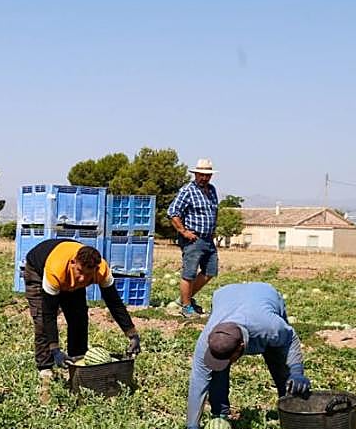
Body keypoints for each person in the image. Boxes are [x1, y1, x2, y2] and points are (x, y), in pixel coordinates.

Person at [186, 282, 311, 429]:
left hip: (265, 294)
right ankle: (220, 413)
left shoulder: (269, 326)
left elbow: (290, 338)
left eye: (229, 358)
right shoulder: (208, 340)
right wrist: (193, 426)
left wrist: (296, 371)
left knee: (280, 362)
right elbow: (198, 382)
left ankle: (292, 413)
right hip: (226, 295)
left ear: (241, 348)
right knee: (217, 370)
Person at [21, 240, 141, 397]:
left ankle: (77, 367)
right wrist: (55, 349)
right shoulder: (55, 270)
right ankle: (45, 369)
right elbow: (48, 313)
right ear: (73, 263)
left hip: (66, 277)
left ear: (96, 269)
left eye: (88, 274)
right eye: (80, 271)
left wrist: (132, 334)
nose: (83, 279)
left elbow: (114, 303)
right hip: (38, 270)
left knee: (79, 319)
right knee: (42, 321)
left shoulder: (101, 270)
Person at [168, 158, 220, 318]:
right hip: (193, 239)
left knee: (210, 271)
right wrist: (184, 232)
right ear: (196, 174)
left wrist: (213, 230)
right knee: (189, 273)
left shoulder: (212, 190)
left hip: (208, 239)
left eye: (207, 175)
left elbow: (214, 212)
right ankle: (186, 307)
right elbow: (173, 212)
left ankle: (185, 299)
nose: (204, 178)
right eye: (201, 175)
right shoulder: (187, 190)